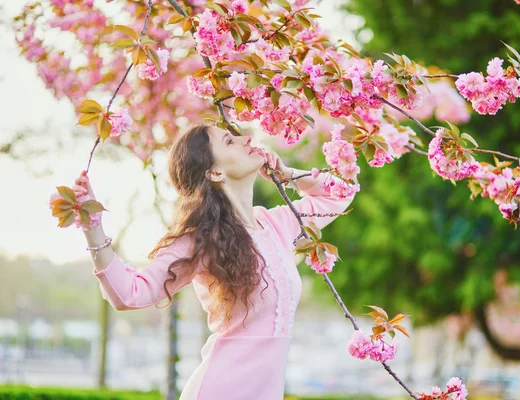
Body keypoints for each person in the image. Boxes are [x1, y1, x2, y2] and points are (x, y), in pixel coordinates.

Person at [78, 124, 355, 399]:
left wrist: (286, 175)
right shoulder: (201, 240)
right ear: (215, 172)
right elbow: (129, 294)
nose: (246, 138)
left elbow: (341, 194)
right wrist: (92, 227)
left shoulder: (276, 223)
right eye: (230, 141)